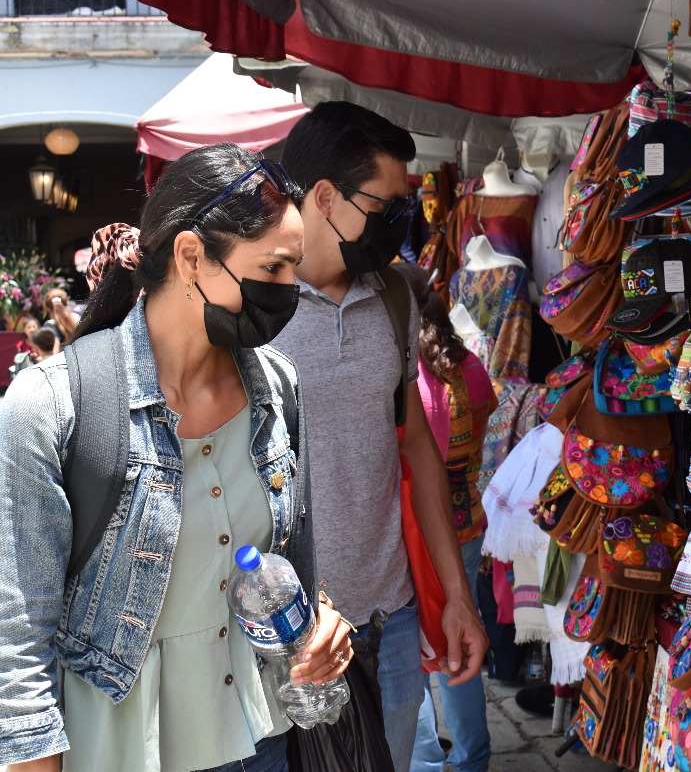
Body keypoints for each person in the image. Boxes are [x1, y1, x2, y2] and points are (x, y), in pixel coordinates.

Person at [0, 144, 354, 772]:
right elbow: (18, 636)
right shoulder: (50, 405)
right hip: (113, 752)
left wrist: (316, 628)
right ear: (191, 256)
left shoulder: (278, 387)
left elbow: (286, 563)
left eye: (293, 269)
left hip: (261, 741)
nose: (288, 291)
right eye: (272, 268)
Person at [277, 101, 488, 772]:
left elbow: (416, 446)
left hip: (388, 616)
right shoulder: (252, 304)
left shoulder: (395, 294)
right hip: (289, 632)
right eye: (388, 205)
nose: (402, 222)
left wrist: (457, 595)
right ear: (325, 197)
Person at [407, 283, 497, 772]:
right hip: (468, 525)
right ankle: (471, 759)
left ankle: (424, 762)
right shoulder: (472, 369)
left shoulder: (416, 379)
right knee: (461, 648)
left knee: (418, 653)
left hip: (424, 536)